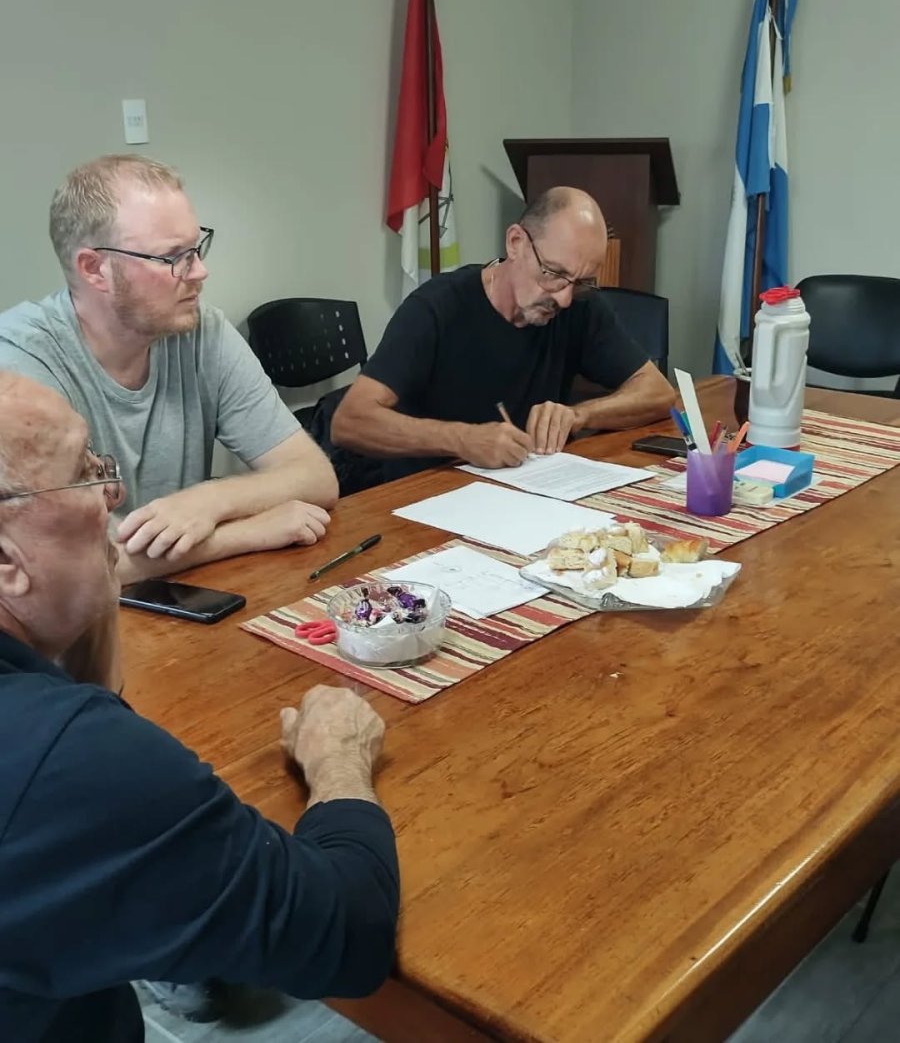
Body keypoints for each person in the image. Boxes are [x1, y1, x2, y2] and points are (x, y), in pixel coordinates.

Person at [0, 371, 399, 1043]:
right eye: (85, 475)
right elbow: (350, 932)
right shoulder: (65, 758)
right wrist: (337, 765)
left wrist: (88, 604)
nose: (114, 493)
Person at [0, 155, 339, 586]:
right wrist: (245, 532)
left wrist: (210, 501)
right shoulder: (18, 367)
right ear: (94, 269)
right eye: (172, 257)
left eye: (196, 248)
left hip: (181, 604)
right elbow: (65, 569)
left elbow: (314, 475)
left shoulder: (202, 331)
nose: (199, 271)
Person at [332, 187, 676, 479]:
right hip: (420, 489)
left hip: (517, 489)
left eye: (581, 282)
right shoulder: (437, 307)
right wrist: (462, 439)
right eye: (552, 272)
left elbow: (658, 392)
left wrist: (580, 414)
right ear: (515, 243)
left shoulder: (578, 304)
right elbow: (350, 422)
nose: (564, 297)